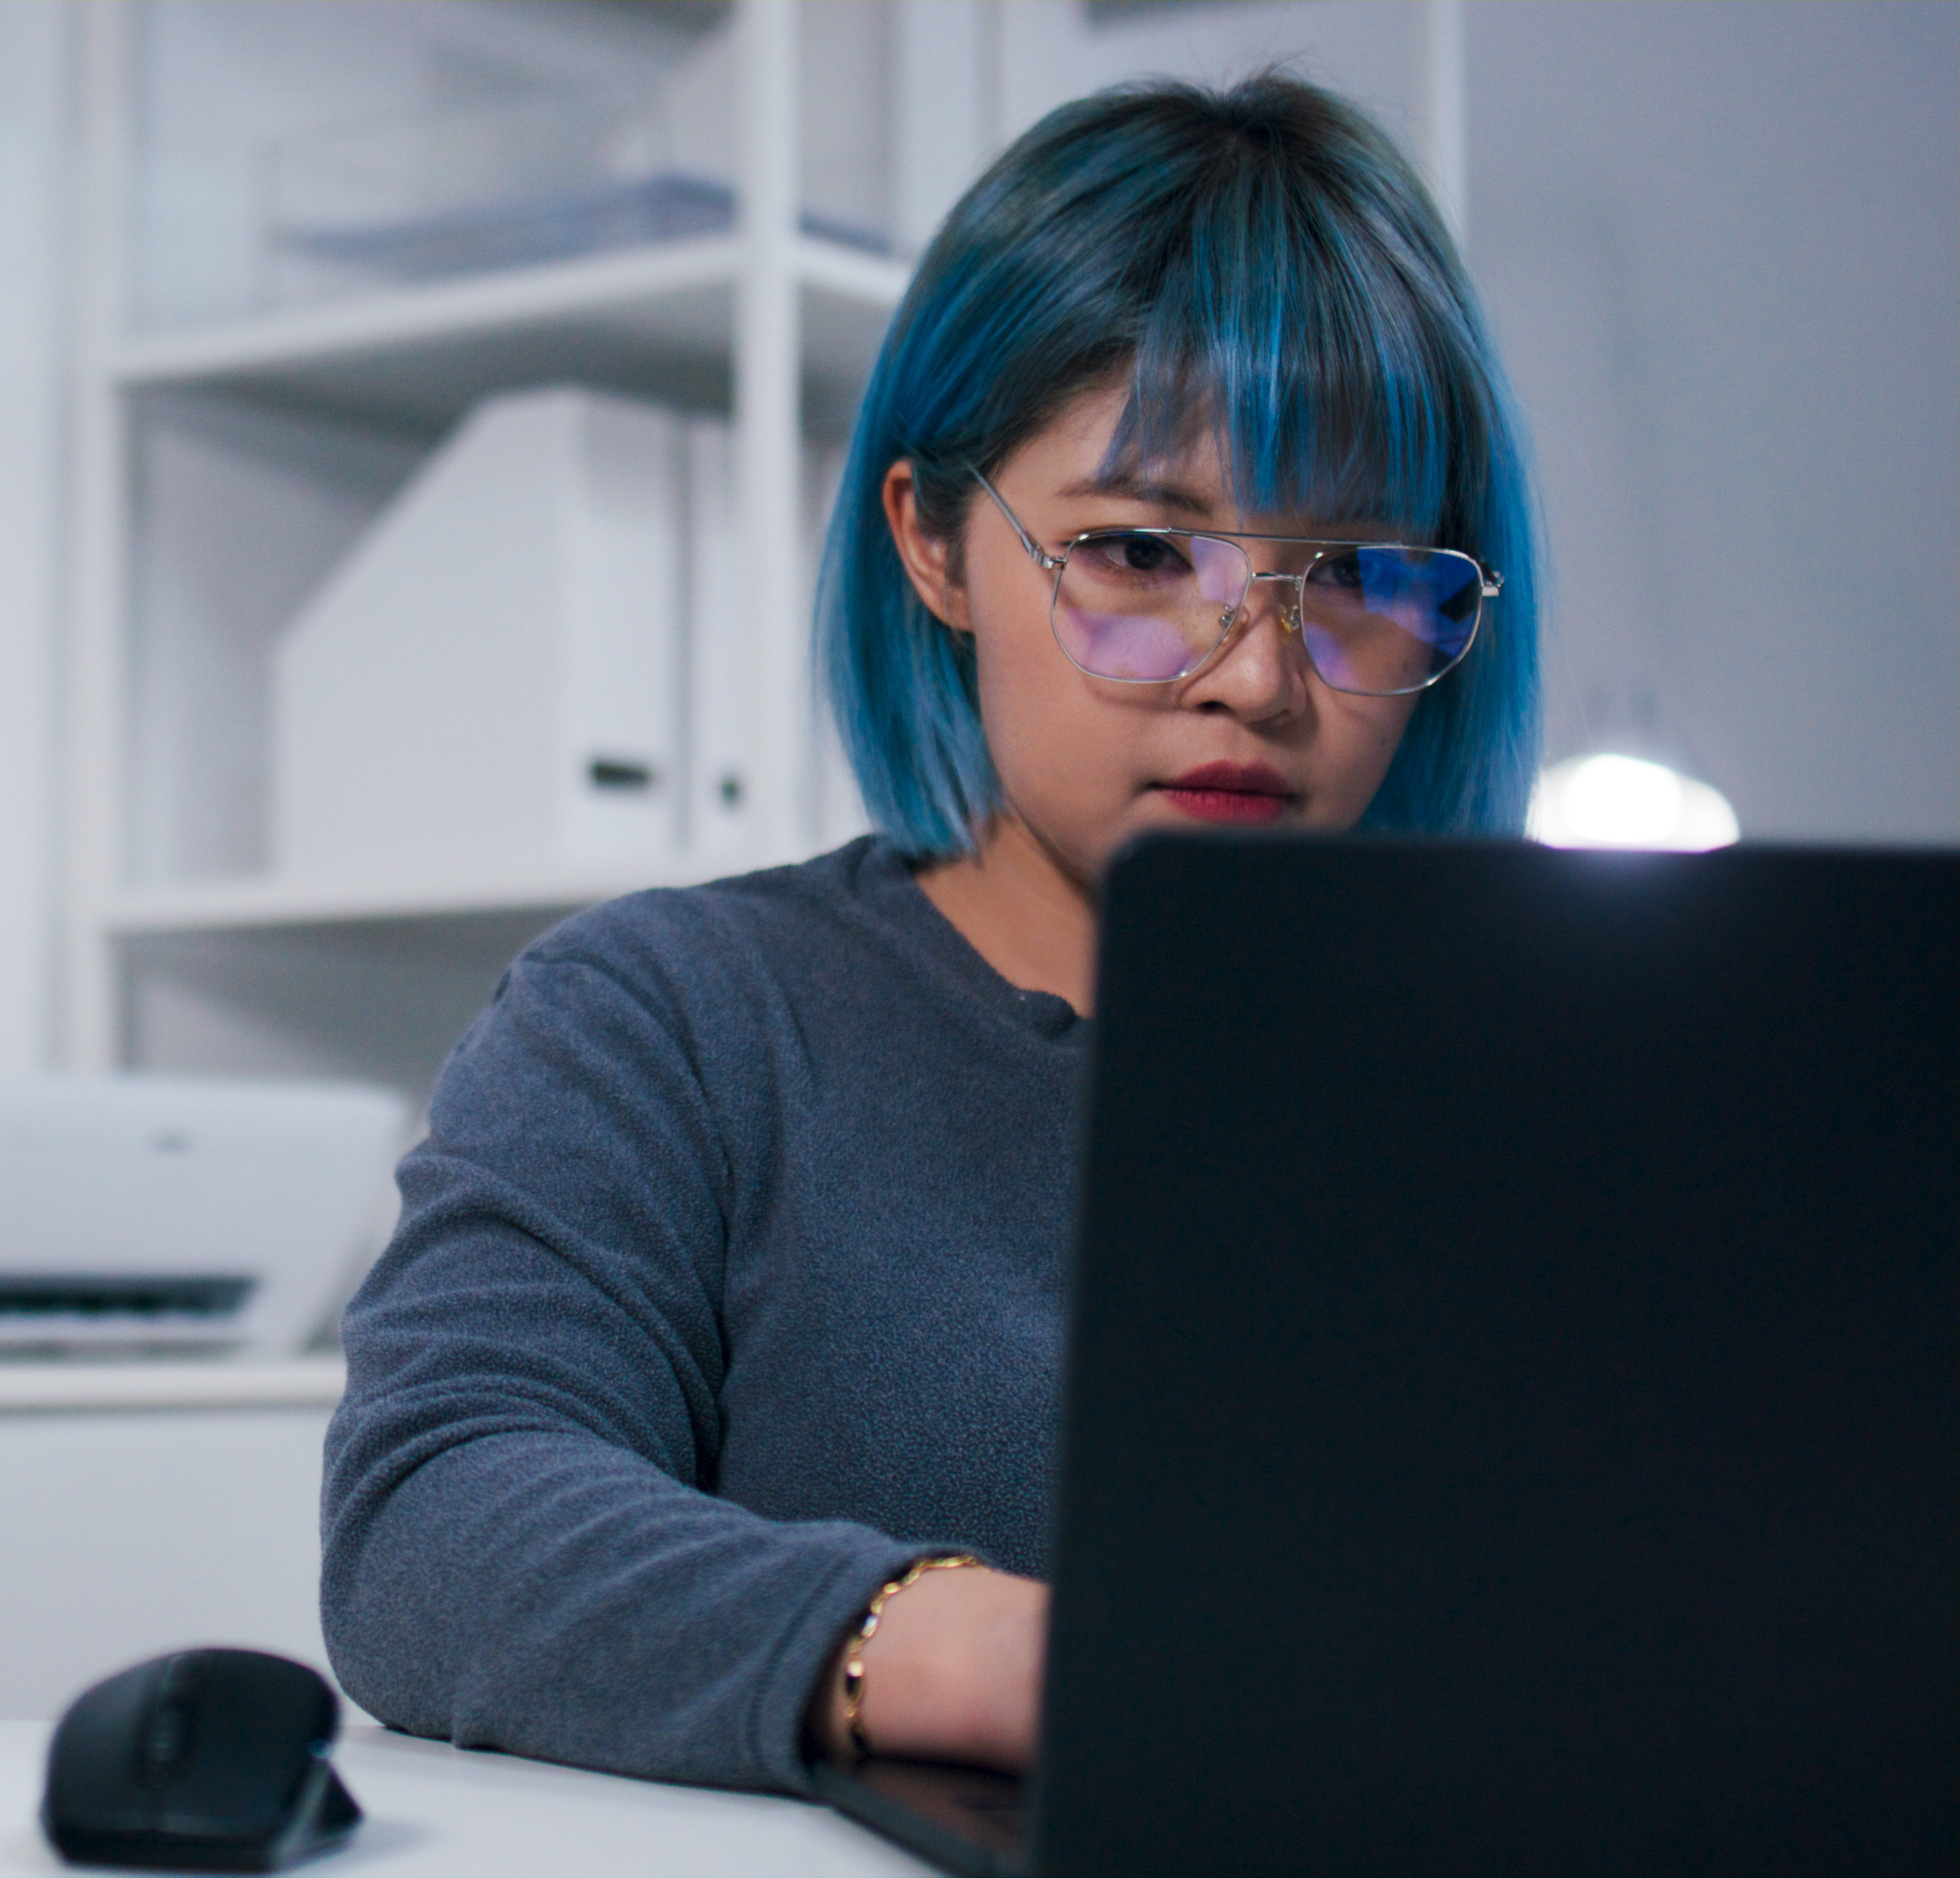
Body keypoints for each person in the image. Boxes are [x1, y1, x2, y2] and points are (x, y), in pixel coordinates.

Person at [318, 72, 1540, 1795]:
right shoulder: (677, 1020)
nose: (1258, 678)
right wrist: (990, 1650)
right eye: (1137, 550)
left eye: (1349, 574)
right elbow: (435, 1522)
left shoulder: (1532, 1093)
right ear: (935, 542)